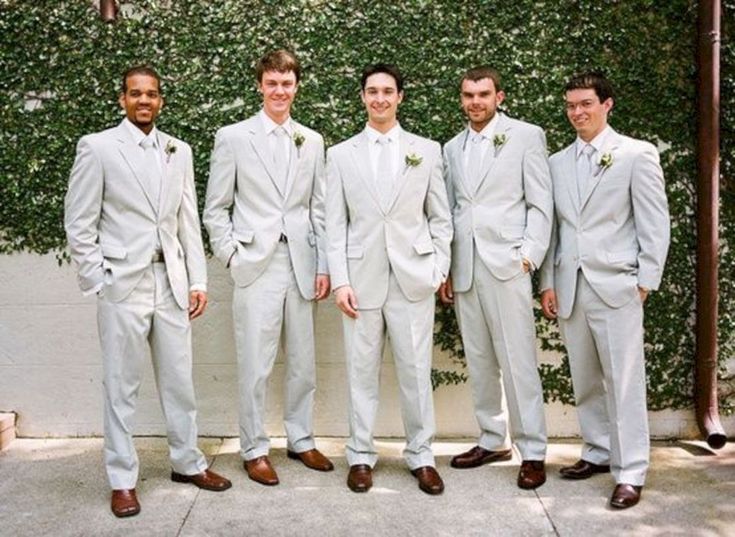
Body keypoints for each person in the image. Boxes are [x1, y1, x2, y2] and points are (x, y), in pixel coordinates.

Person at [64, 65, 231, 518]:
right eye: (135, 94)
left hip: (171, 284)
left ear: (160, 100)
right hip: (123, 284)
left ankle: (187, 462)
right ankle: (122, 479)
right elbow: (79, 222)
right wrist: (99, 279)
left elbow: (187, 222)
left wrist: (197, 279)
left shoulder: (179, 150)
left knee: (180, 382)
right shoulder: (97, 148)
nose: (144, 101)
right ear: (122, 99)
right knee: (121, 386)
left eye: (152, 94)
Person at [539, 71, 670, 509]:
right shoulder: (556, 162)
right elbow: (554, 230)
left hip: (617, 285)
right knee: (586, 378)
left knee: (624, 380)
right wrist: (548, 283)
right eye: (571, 105)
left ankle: (631, 470)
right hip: (570, 285)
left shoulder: (635, 154)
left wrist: (645, 281)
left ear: (606, 104)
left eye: (586, 104)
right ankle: (596, 450)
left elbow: (654, 223)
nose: (577, 112)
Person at [203, 49, 332, 486]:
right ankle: (254, 448)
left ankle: (301, 439)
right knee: (255, 363)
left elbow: (320, 210)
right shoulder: (233, 137)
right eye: (272, 83)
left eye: (287, 83)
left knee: (303, 362)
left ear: (296, 87)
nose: (280, 90)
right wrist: (232, 256)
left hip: (301, 263)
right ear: (260, 85)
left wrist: (324, 265)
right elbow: (215, 209)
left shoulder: (312, 141)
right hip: (255, 265)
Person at [325, 63, 453, 495]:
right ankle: (360, 455)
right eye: (372, 91)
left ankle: (422, 456)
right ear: (362, 97)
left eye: (387, 91)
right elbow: (334, 224)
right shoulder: (340, 154)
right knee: (360, 372)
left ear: (400, 97)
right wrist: (340, 281)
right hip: (360, 281)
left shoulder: (427, 150)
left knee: (416, 372)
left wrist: (437, 269)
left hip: (413, 278)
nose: (379, 98)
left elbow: (441, 217)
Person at [439, 66, 552, 490]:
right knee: (481, 359)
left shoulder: (525, 136)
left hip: (508, 265)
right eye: (468, 95)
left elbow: (541, 203)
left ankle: (534, 450)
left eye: (483, 94)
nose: (475, 102)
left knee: (518, 360)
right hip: (467, 266)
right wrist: (448, 265)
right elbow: (451, 209)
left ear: (499, 97)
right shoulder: (451, 148)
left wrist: (529, 256)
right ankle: (492, 438)